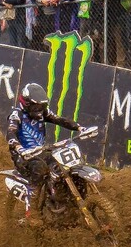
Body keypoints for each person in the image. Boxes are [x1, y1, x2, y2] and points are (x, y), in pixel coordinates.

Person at [5, 84, 79, 220]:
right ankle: (32, 209)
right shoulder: (17, 115)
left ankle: (60, 197)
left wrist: (79, 127)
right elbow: (11, 133)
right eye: (36, 107)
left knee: (62, 164)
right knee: (40, 169)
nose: (39, 110)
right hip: (23, 157)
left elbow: (59, 120)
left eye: (41, 107)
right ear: (26, 103)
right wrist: (18, 147)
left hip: (40, 152)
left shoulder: (43, 113)